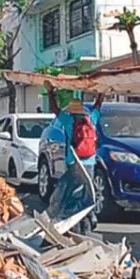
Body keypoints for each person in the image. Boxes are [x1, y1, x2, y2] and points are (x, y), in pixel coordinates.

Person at [45, 81, 105, 232]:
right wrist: (101, 93)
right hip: (90, 163)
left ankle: (67, 222)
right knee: (88, 192)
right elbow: (98, 106)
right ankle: (90, 217)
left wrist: (50, 92)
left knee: (70, 192)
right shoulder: (91, 118)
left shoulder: (69, 120)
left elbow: (54, 109)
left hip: (74, 162)